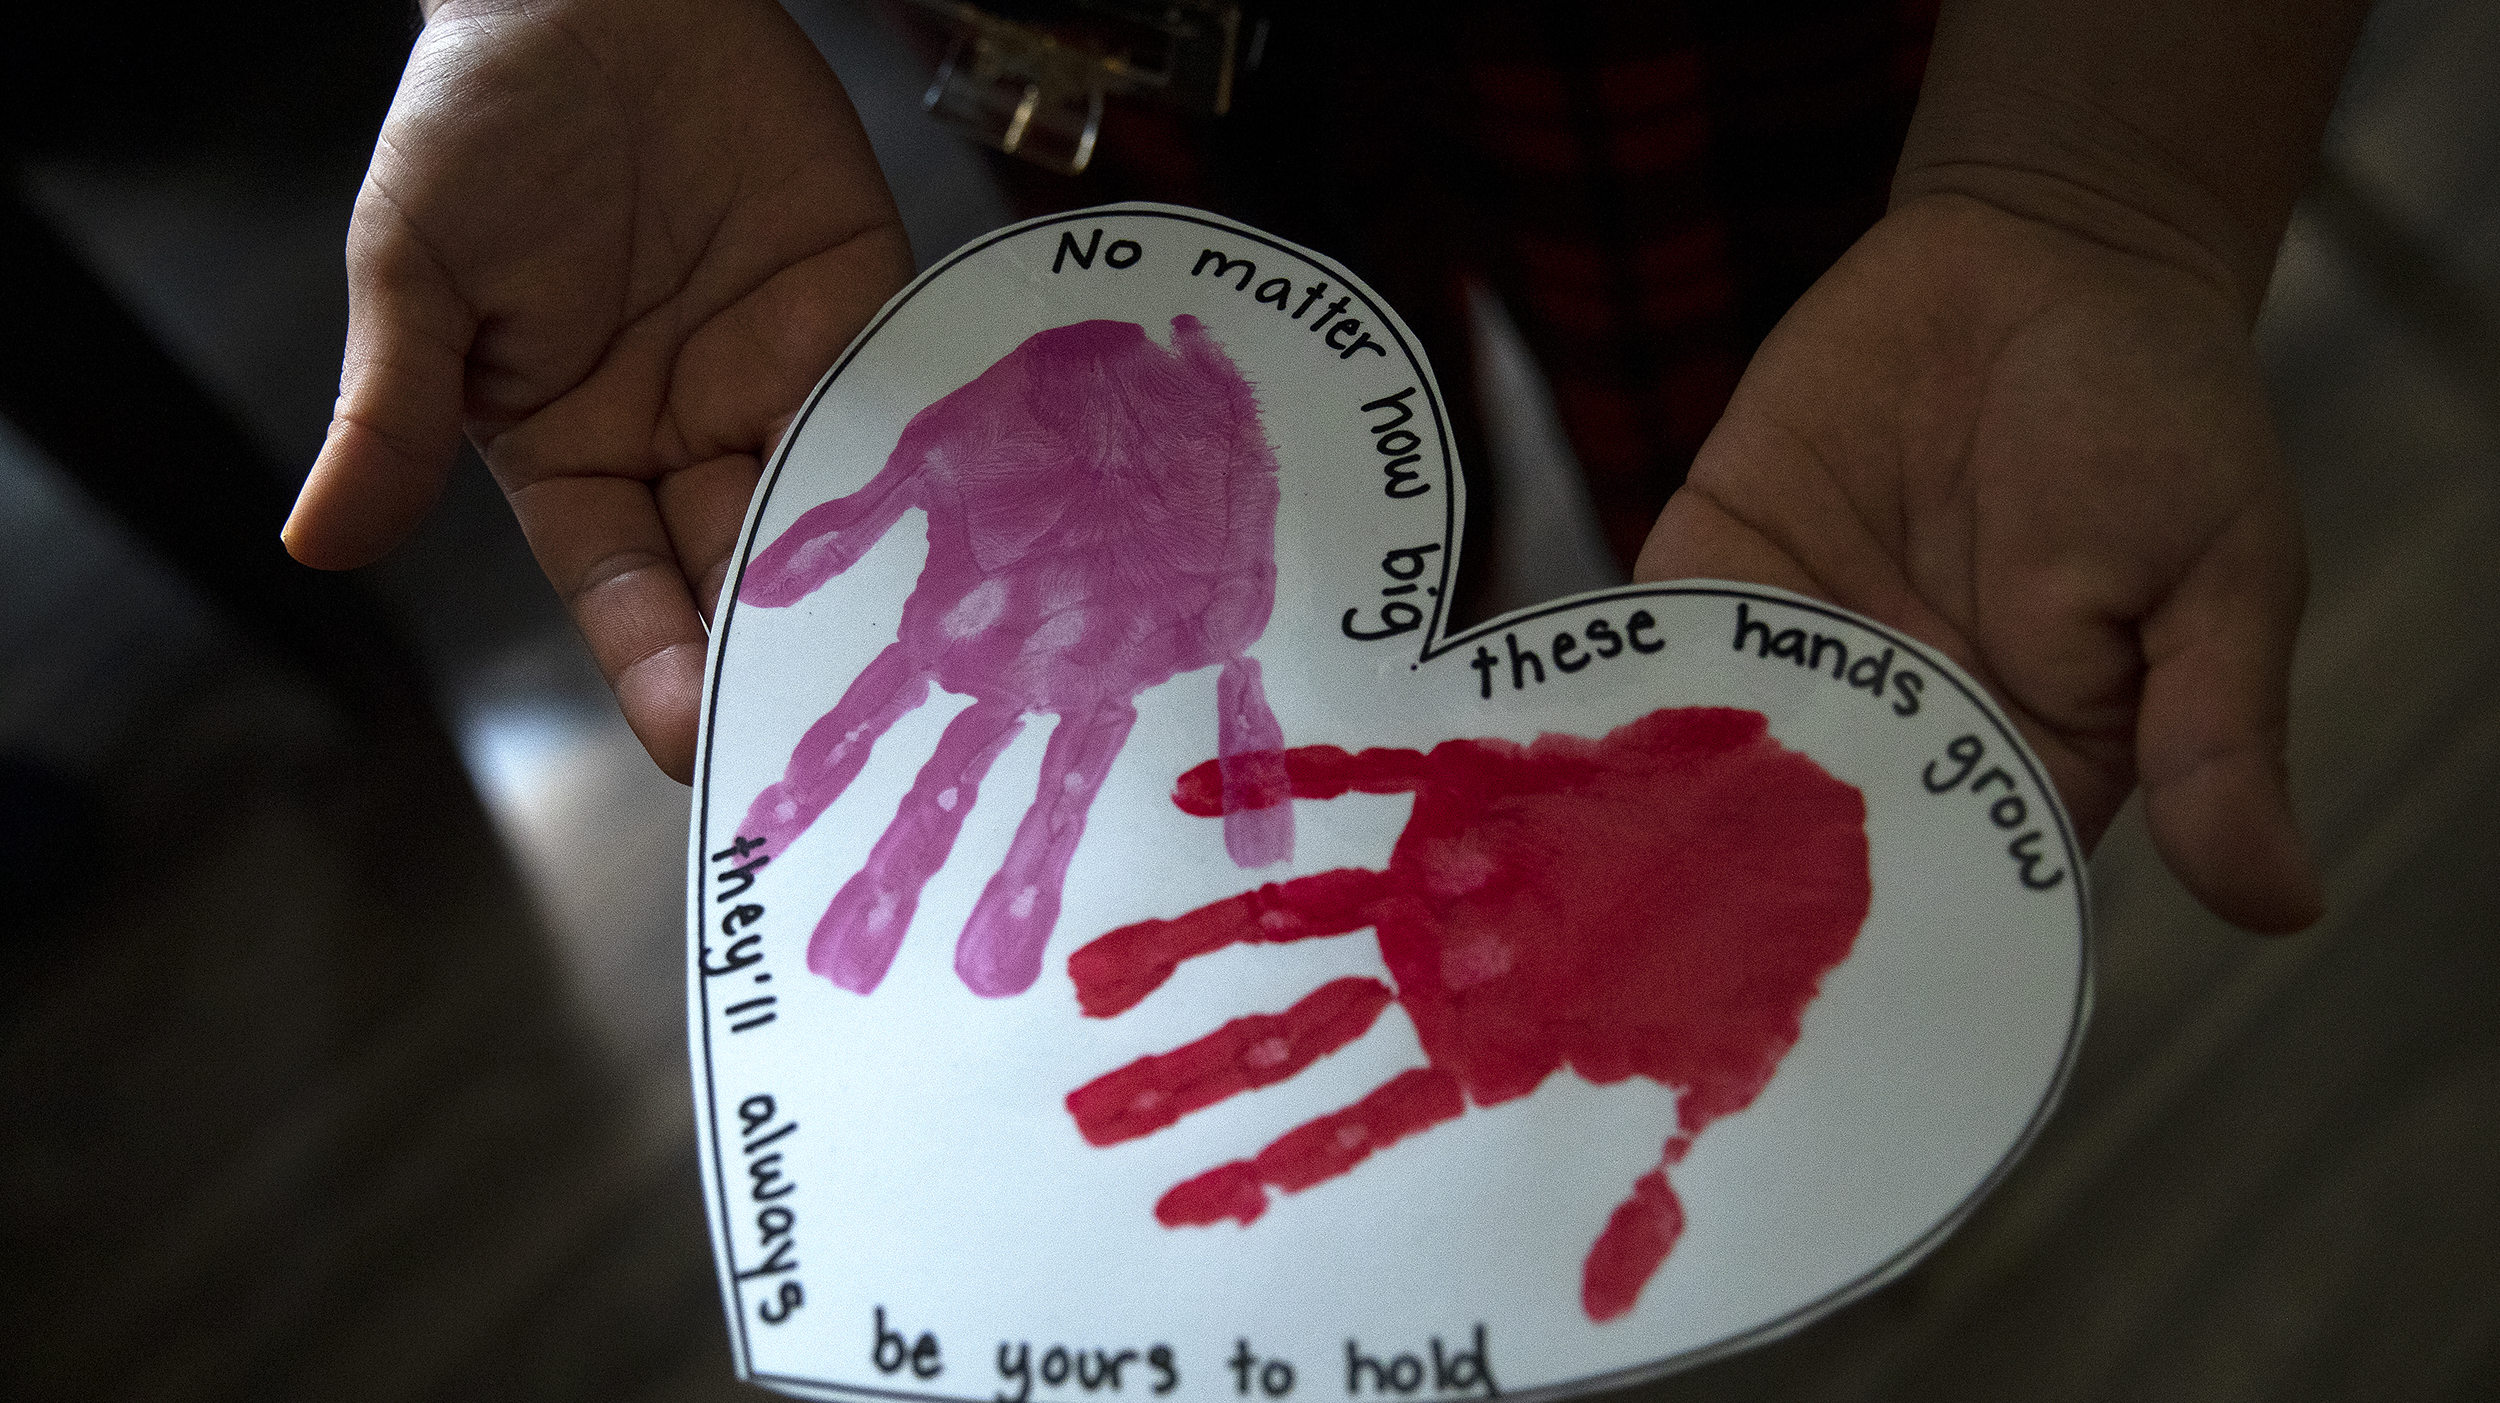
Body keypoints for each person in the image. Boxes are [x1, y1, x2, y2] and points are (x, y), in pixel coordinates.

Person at [281, 0, 2369, 935]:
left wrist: (2094, 180)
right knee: (1276, 568)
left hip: (1723, 46)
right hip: (1094, 48)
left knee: (1770, 503)